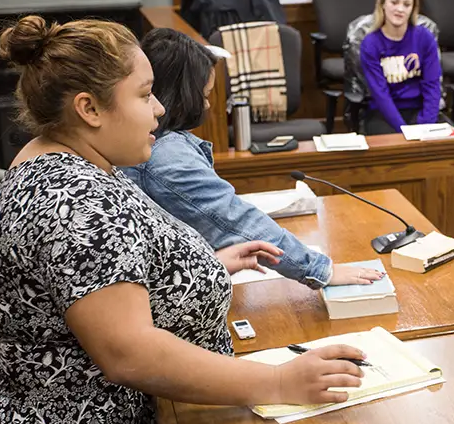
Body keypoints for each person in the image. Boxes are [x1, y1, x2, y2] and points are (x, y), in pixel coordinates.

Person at [0, 17, 366, 424]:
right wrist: (279, 381)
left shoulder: (67, 157)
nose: (160, 108)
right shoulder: (75, 205)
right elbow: (131, 355)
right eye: (145, 95)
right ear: (89, 108)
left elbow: (110, 274)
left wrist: (205, 266)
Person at [122, 28, 382, 288]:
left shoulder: (158, 144)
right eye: (203, 95)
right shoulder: (167, 156)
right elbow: (236, 221)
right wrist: (321, 270)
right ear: (182, 93)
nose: (207, 106)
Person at [359, 0, 447, 135]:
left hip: (419, 109)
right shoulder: (370, 43)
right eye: (394, 2)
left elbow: (432, 86)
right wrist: (403, 130)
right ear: (383, 5)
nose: (400, 9)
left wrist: (425, 124)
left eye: (407, 5)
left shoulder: (424, 37)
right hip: (385, 113)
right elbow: (380, 93)